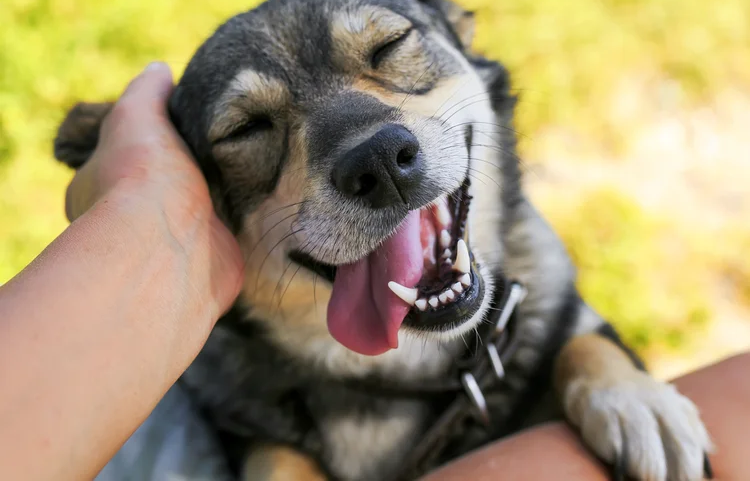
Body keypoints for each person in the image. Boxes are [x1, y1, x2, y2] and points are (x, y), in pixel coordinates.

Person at [0, 63, 746, 480]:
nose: (371, 146)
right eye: (250, 127)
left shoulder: (530, 270)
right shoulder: (218, 377)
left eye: (390, 51)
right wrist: (146, 215)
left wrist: (594, 365)